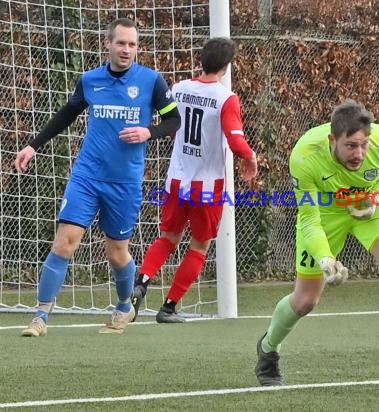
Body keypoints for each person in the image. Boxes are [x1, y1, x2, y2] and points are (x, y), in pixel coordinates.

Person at [254, 99, 379, 395]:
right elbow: (309, 219)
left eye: (364, 145)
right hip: (325, 213)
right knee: (305, 301)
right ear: (333, 140)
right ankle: (268, 350)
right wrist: (325, 259)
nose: (360, 154)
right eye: (351, 146)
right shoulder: (305, 157)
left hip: (368, 203)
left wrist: (378, 193)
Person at [15, 18, 181, 336]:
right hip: (87, 176)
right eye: (121, 43)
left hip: (125, 183)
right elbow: (67, 113)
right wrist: (33, 146)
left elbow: (174, 120)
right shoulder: (91, 80)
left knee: (116, 252)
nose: (126, 50)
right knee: (65, 242)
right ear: (108, 44)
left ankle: (124, 306)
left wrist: (149, 130)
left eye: (132, 44)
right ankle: (40, 317)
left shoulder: (151, 81)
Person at [130, 37, 257, 323]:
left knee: (167, 238)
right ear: (226, 66)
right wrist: (250, 157)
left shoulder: (179, 88)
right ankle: (169, 307)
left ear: (202, 60)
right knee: (199, 246)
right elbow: (236, 140)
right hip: (208, 188)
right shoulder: (226, 98)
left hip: (176, 180)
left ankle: (142, 282)